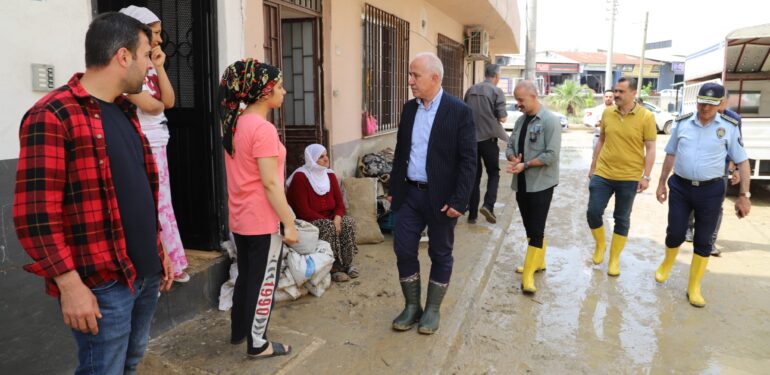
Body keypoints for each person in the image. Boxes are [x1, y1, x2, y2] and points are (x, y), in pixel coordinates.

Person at [13, 13, 174, 374]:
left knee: (130, 364)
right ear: (123, 56)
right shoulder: (52, 115)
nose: (150, 64)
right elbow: (35, 215)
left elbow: (141, 189)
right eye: (147, 54)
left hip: (143, 272)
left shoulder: (123, 109)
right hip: (102, 285)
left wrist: (158, 248)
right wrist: (69, 284)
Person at [388, 52, 476, 335]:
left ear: (435, 78)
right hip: (410, 195)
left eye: (416, 75)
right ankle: (412, 306)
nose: (410, 81)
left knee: (440, 253)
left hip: (441, 199)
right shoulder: (409, 108)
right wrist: (394, 189)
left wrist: (460, 201)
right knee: (403, 249)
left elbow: (468, 160)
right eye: (410, 74)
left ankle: (432, 310)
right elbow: (402, 151)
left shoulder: (458, 111)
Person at [220, 59, 298, 358]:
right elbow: (270, 184)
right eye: (279, 86)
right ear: (264, 92)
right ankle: (258, 343)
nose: (284, 91)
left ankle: (239, 331)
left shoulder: (235, 124)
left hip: (240, 217)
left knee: (247, 276)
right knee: (264, 280)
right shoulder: (262, 130)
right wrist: (288, 222)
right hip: (262, 219)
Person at [654, 82, 751, 307]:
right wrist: (661, 184)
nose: (705, 108)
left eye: (711, 104)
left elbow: (742, 160)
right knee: (676, 233)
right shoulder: (682, 122)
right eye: (702, 102)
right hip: (680, 186)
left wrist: (744, 194)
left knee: (703, 239)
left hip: (711, 190)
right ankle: (666, 264)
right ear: (696, 101)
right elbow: (670, 153)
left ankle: (694, 287)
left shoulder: (728, 126)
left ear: (721, 105)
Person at [120, 5, 190, 283]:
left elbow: (168, 102)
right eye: (156, 33)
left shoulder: (149, 66)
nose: (160, 40)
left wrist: (159, 66)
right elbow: (150, 106)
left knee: (163, 203)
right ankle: (161, 264)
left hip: (158, 140)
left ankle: (171, 261)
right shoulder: (127, 70)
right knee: (152, 204)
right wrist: (157, 105)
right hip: (142, 142)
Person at [587, 77, 657, 277]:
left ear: (633, 93)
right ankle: (600, 245)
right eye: (615, 91)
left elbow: (651, 148)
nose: (616, 95)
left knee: (622, 218)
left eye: (621, 92)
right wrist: (593, 166)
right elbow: (601, 139)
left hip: (629, 176)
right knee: (593, 211)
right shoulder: (608, 113)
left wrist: (647, 176)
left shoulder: (646, 117)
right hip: (603, 173)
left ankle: (615, 258)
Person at [505, 80, 561, 294]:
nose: (518, 104)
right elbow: (510, 145)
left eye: (521, 100)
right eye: (516, 99)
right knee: (530, 226)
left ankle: (528, 276)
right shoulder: (520, 122)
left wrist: (526, 164)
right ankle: (539, 262)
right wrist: (512, 157)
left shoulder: (550, 121)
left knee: (536, 229)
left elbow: (552, 154)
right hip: (521, 183)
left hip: (541, 183)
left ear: (534, 97)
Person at [287, 144, 359, 282]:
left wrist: (337, 219)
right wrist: (331, 223)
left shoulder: (329, 174)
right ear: (311, 159)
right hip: (308, 220)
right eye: (321, 157)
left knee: (348, 222)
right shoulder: (301, 177)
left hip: (331, 217)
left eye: (326, 155)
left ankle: (346, 264)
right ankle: (333, 268)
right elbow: (303, 211)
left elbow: (339, 204)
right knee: (328, 226)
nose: (326, 159)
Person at [684, 97, 743, 256]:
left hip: (720, 170)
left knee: (717, 205)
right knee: (691, 200)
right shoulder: (698, 116)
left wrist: (736, 168)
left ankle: (710, 241)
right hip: (697, 168)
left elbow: (738, 145)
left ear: (724, 102)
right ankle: (689, 229)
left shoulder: (733, 120)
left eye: (719, 101)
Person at [464, 63, 509, 224]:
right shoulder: (496, 91)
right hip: (489, 140)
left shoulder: (471, 90)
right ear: (496, 76)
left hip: (470, 141)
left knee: (474, 177)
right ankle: (488, 205)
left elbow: (464, 112)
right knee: (494, 173)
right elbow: (502, 118)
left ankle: (472, 215)